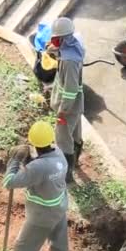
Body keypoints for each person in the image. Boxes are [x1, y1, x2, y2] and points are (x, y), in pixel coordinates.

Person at [0, 121, 72, 251]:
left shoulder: (39, 168)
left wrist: (14, 161)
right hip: (59, 209)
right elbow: (41, 172)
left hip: (41, 217)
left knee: (22, 250)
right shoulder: (58, 154)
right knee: (60, 246)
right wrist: (28, 160)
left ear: (34, 143)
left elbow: (9, 182)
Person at [48, 17, 85, 183]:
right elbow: (57, 51)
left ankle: (66, 175)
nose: (54, 40)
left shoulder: (69, 62)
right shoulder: (74, 45)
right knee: (75, 134)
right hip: (76, 105)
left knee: (63, 139)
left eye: (56, 38)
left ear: (63, 38)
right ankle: (75, 162)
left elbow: (69, 91)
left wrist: (62, 112)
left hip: (68, 107)